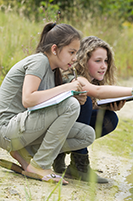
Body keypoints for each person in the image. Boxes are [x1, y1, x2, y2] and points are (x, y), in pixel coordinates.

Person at [0, 22, 96, 185]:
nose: (75, 58)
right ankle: (40, 165)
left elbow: (45, 105)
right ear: (54, 49)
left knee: (87, 134)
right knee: (70, 106)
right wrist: (67, 88)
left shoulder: (52, 71)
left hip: (23, 128)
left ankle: (26, 155)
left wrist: (72, 95)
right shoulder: (39, 61)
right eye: (71, 52)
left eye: (76, 53)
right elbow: (28, 99)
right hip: (7, 129)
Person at [52, 36, 133, 183]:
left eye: (106, 61)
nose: (104, 66)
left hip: (65, 129)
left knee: (109, 118)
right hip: (51, 131)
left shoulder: (87, 80)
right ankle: (79, 165)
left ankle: (63, 156)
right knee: (84, 101)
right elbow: (97, 91)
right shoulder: (76, 78)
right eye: (98, 61)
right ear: (84, 61)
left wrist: (104, 106)